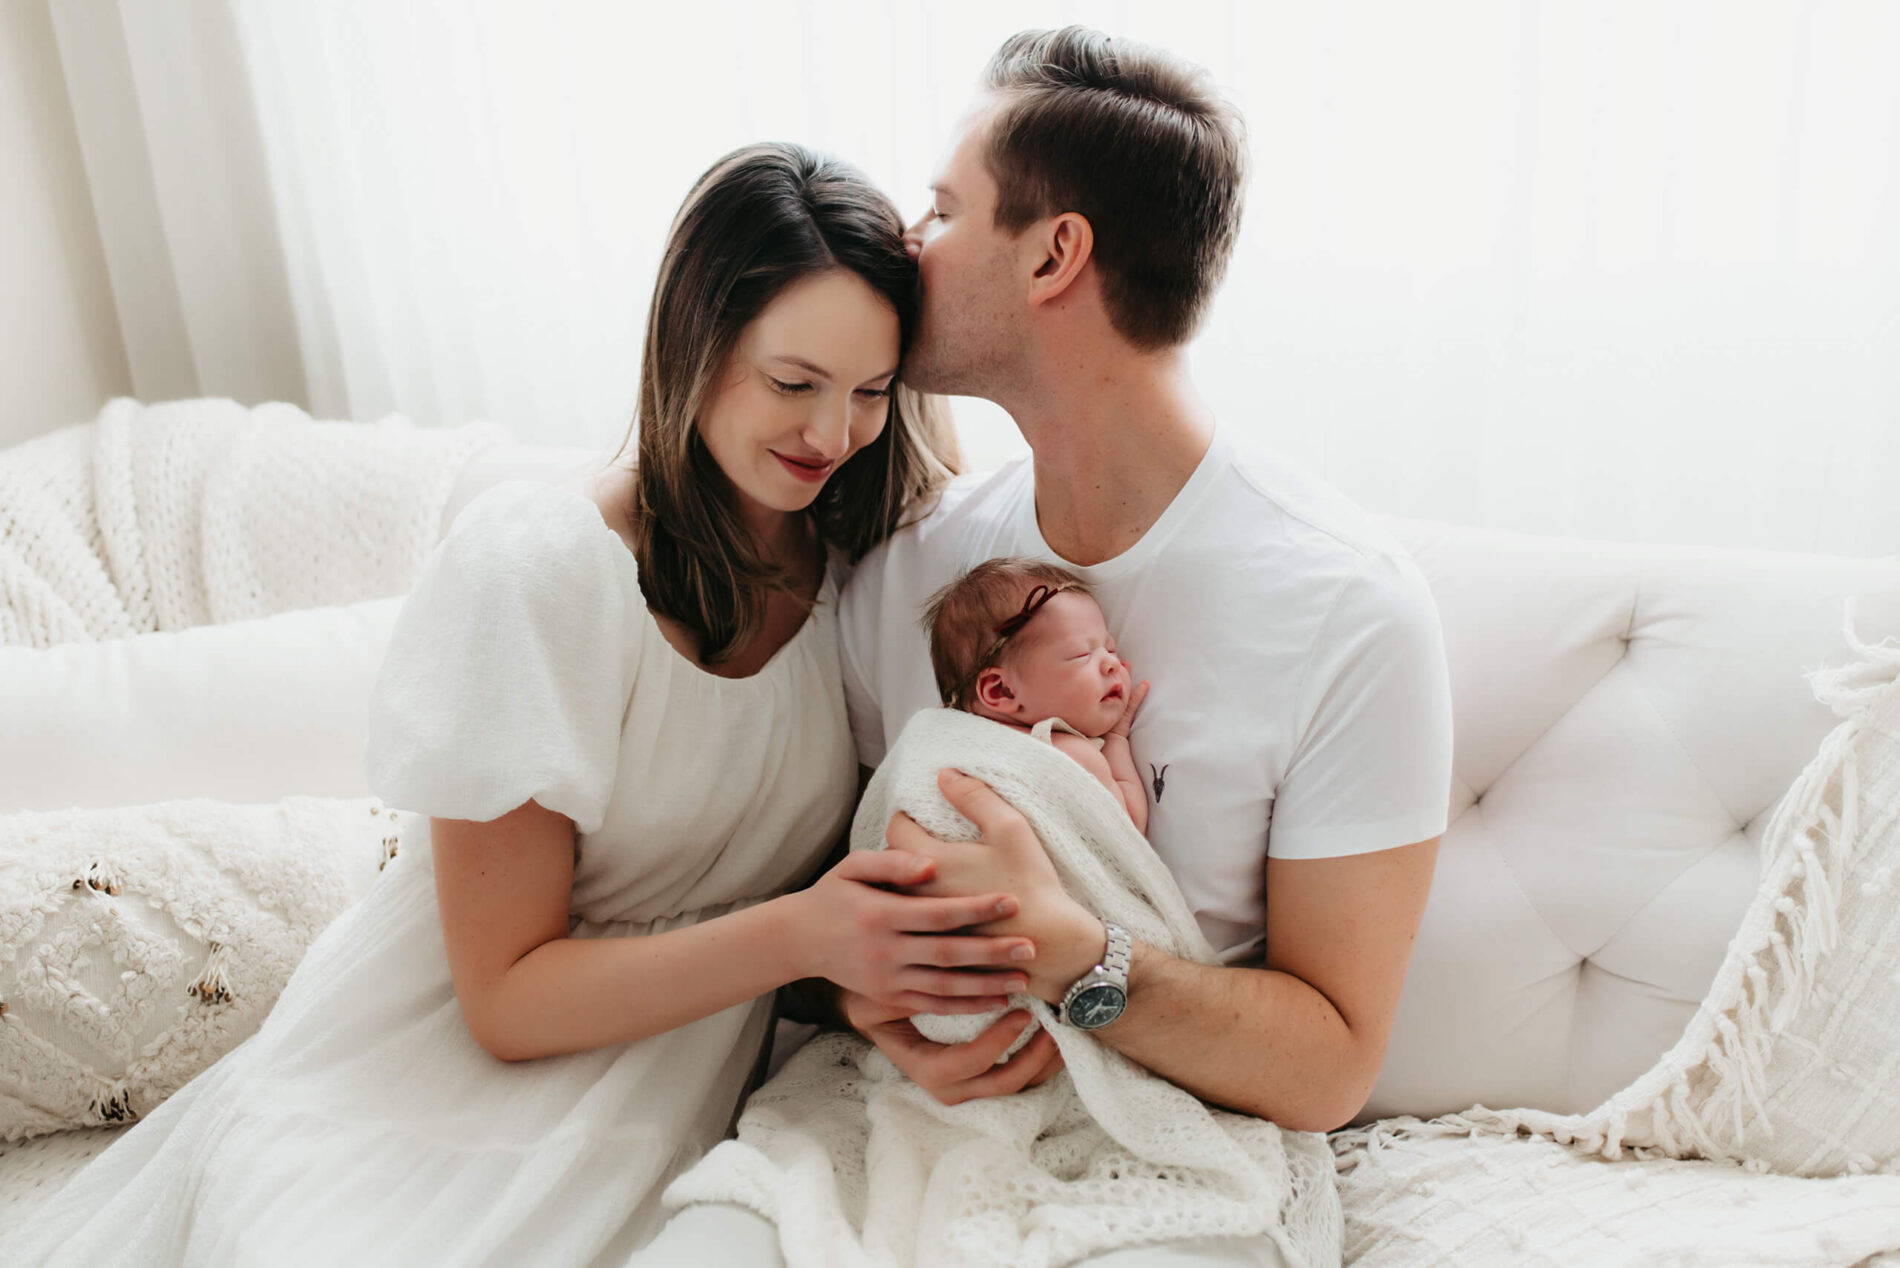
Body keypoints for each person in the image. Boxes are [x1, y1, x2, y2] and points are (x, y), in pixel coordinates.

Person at [0, 142, 1023, 1268]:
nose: (832, 436)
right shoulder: (543, 570)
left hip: (652, 1117)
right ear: (693, 347)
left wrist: (862, 985)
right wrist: (805, 934)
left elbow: (785, 904)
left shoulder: (855, 573)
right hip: (425, 1109)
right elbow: (503, 996)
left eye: (870, 392)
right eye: (793, 383)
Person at [652, 25, 1454, 1268]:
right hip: (895, 1110)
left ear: (1052, 253)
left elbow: (1331, 1062)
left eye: (943, 207)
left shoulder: (1346, 609)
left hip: (1152, 1134)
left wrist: (1077, 951)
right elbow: (822, 901)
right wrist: (862, 989)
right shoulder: (910, 560)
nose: (908, 242)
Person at [925, 557, 1150, 829]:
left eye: (1110, 648)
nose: (1112, 663)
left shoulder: (950, 741)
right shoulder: (1073, 755)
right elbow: (1128, 832)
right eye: (1082, 654)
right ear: (1002, 690)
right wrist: (1116, 739)